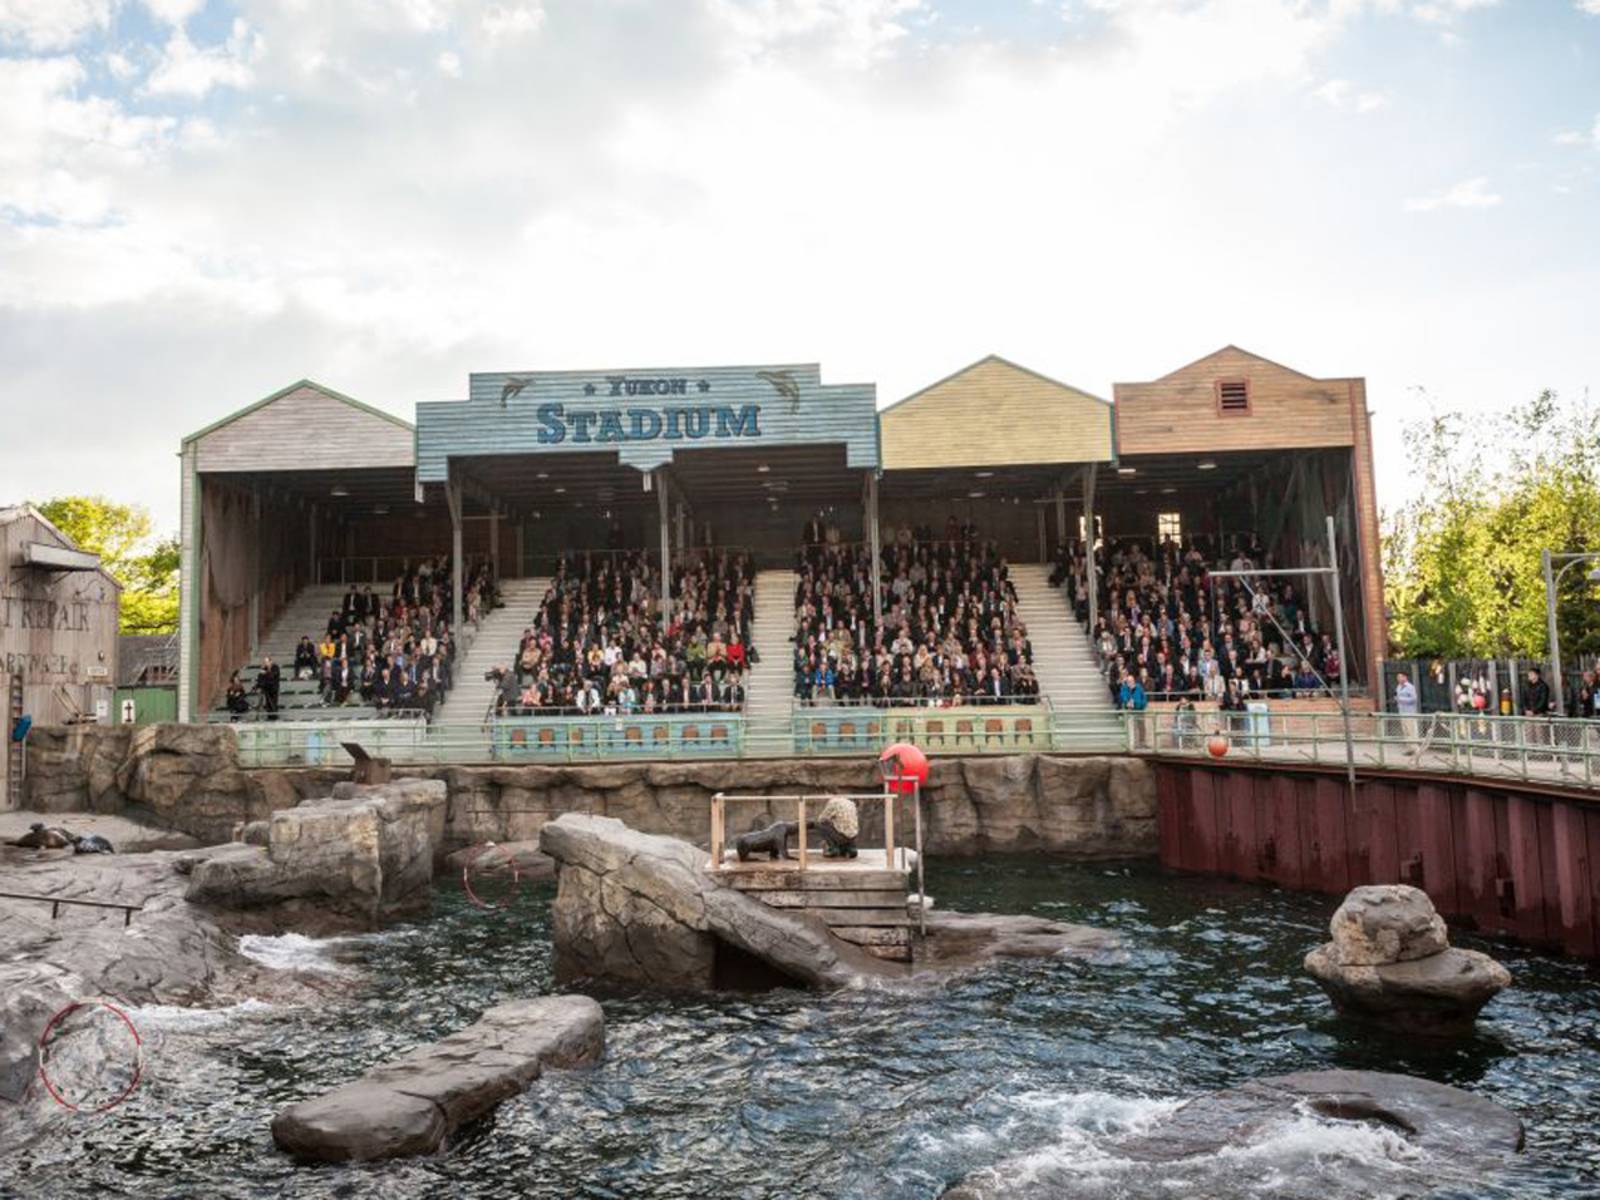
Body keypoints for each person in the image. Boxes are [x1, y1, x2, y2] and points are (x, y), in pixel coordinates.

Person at [254, 656, 281, 720]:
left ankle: (274, 716)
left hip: (273, 688)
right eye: (265, 662)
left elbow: (273, 676)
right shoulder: (264, 668)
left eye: (267, 661)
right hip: (266, 688)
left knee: (273, 702)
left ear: (270, 661)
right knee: (268, 703)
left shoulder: (275, 667)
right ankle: (269, 717)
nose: (266, 663)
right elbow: (260, 678)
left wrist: (266, 673)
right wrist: (257, 686)